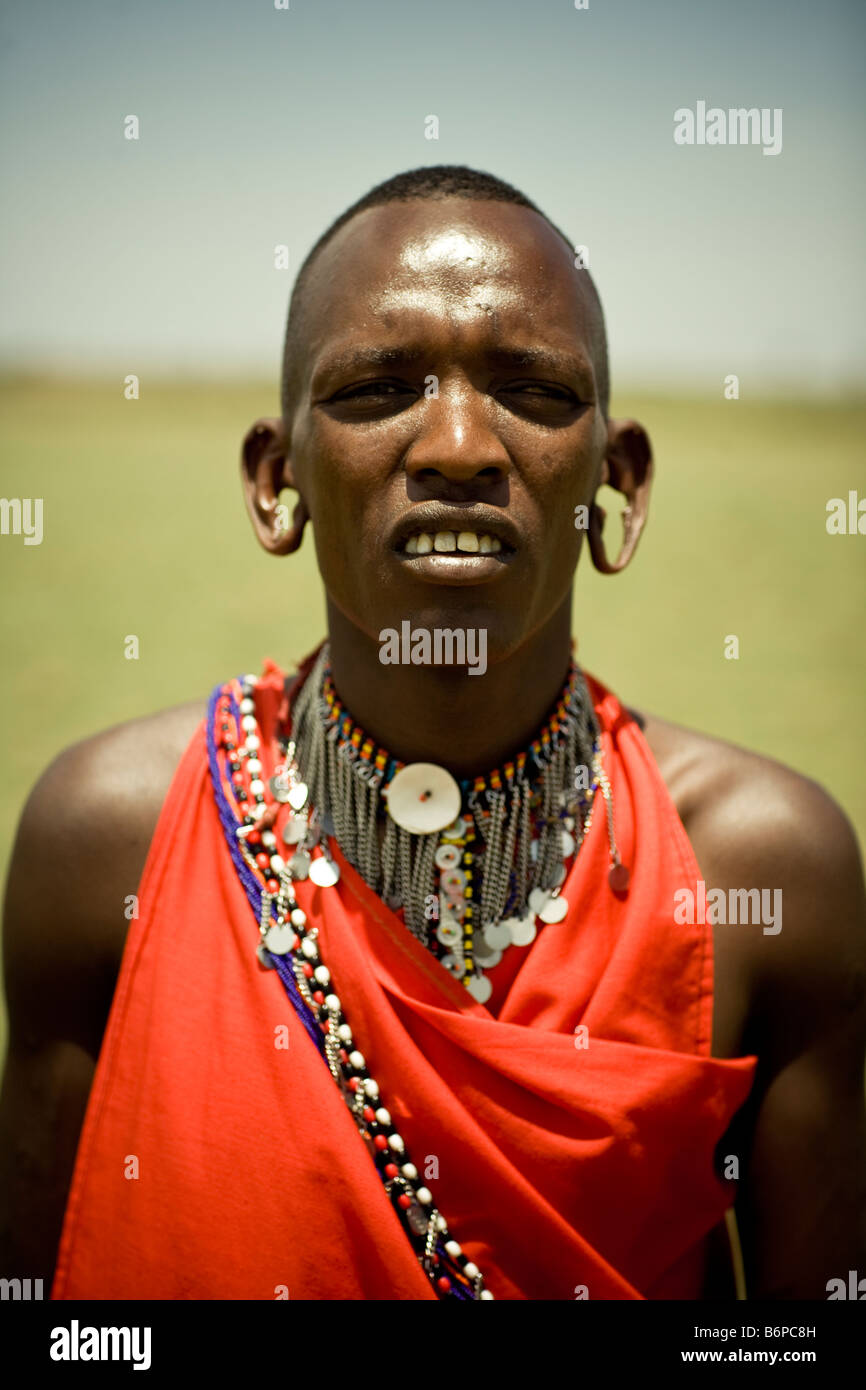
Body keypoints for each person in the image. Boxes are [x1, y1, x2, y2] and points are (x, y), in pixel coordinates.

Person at [1, 166, 864, 1301]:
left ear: (617, 482)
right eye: (375, 388)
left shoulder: (761, 871)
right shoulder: (108, 843)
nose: (458, 444)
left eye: (532, 391)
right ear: (276, 480)